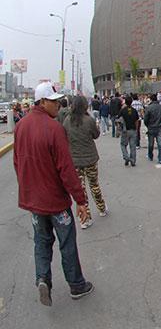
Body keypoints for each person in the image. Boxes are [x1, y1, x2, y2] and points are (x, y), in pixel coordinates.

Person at [14, 82, 94, 306]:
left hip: (34, 201)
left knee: (41, 241)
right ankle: (76, 285)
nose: (59, 105)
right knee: (66, 242)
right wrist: (80, 200)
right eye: (54, 101)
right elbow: (66, 169)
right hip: (56, 202)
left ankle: (43, 279)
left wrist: (27, 189)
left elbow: (17, 163)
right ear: (42, 102)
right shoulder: (54, 129)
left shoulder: (21, 127)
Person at [62, 95, 107, 229]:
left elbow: (64, 138)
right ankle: (101, 208)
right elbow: (96, 135)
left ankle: (85, 219)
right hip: (91, 159)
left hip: (75, 161)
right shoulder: (89, 120)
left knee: (80, 190)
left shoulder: (67, 121)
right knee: (94, 185)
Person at [144, 93, 161, 164]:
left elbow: (145, 119)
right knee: (160, 144)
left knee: (151, 143)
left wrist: (148, 126)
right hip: (159, 127)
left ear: (150, 99)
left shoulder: (148, 108)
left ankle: (150, 155)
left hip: (151, 128)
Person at [119, 96, 140, 166]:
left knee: (123, 145)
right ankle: (133, 160)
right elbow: (137, 121)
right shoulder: (134, 110)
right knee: (133, 146)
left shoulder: (122, 110)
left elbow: (119, 120)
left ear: (125, 102)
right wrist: (136, 130)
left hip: (125, 131)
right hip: (133, 130)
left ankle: (126, 157)